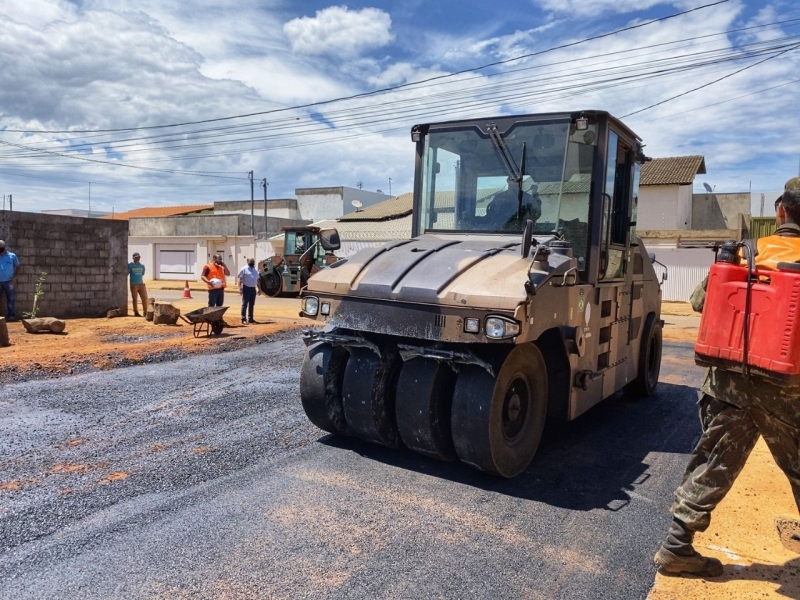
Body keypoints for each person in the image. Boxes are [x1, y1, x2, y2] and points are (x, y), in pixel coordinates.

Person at [654, 177, 800, 577]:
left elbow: (701, 301)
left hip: (728, 384)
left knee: (714, 462)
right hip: (788, 392)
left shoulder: (747, 251)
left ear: (781, 212)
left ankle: (676, 547)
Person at [0, 240, 21, 322]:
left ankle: (11, 316)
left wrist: (16, 277)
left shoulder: (12, 256)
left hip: (9, 282)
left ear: (4, 247)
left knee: (11, 299)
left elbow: (18, 267)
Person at [237, 257, 261, 325]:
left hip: (253, 289)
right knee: (244, 304)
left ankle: (251, 319)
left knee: (251, 304)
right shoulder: (244, 269)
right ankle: (243, 319)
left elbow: (258, 280)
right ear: (247, 261)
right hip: (246, 288)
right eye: (251, 261)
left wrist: (259, 289)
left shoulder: (255, 270)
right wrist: (240, 288)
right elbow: (239, 278)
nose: (252, 262)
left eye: (253, 261)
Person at [127, 252, 148, 317]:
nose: (138, 258)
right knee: (135, 299)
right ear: (133, 258)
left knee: (144, 298)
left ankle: (145, 312)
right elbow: (127, 273)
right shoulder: (130, 265)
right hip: (134, 284)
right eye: (136, 257)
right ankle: (136, 312)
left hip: (141, 284)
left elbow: (143, 273)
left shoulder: (142, 266)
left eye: (139, 257)